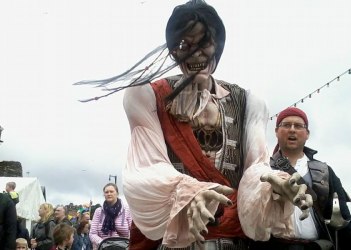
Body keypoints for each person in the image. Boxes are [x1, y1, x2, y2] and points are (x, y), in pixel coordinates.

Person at [77, 1, 315, 249]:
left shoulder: (248, 101)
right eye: (184, 45)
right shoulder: (146, 96)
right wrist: (187, 192)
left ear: (218, 46)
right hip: (175, 241)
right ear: (173, 51)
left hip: (233, 239)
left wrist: (271, 181)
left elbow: (256, 166)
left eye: (204, 43)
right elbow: (146, 167)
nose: (195, 53)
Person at [249, 107, 351, 249]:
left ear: (307, 134)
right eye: (286, 125)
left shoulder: (324, 171)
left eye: (298, 126)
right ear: (276, 131)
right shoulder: (262, 169)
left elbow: (341, 214)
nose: (292, 130)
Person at [89, 183, 131, 250]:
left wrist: (125, 244)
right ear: (104, 195)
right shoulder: (98, 211)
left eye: (111, 191)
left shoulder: (127, 210)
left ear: (117, 193)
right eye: (106, 192)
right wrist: (104, 244)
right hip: (102, 247)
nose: (109, 194)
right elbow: (92, 234)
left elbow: (132, 231)